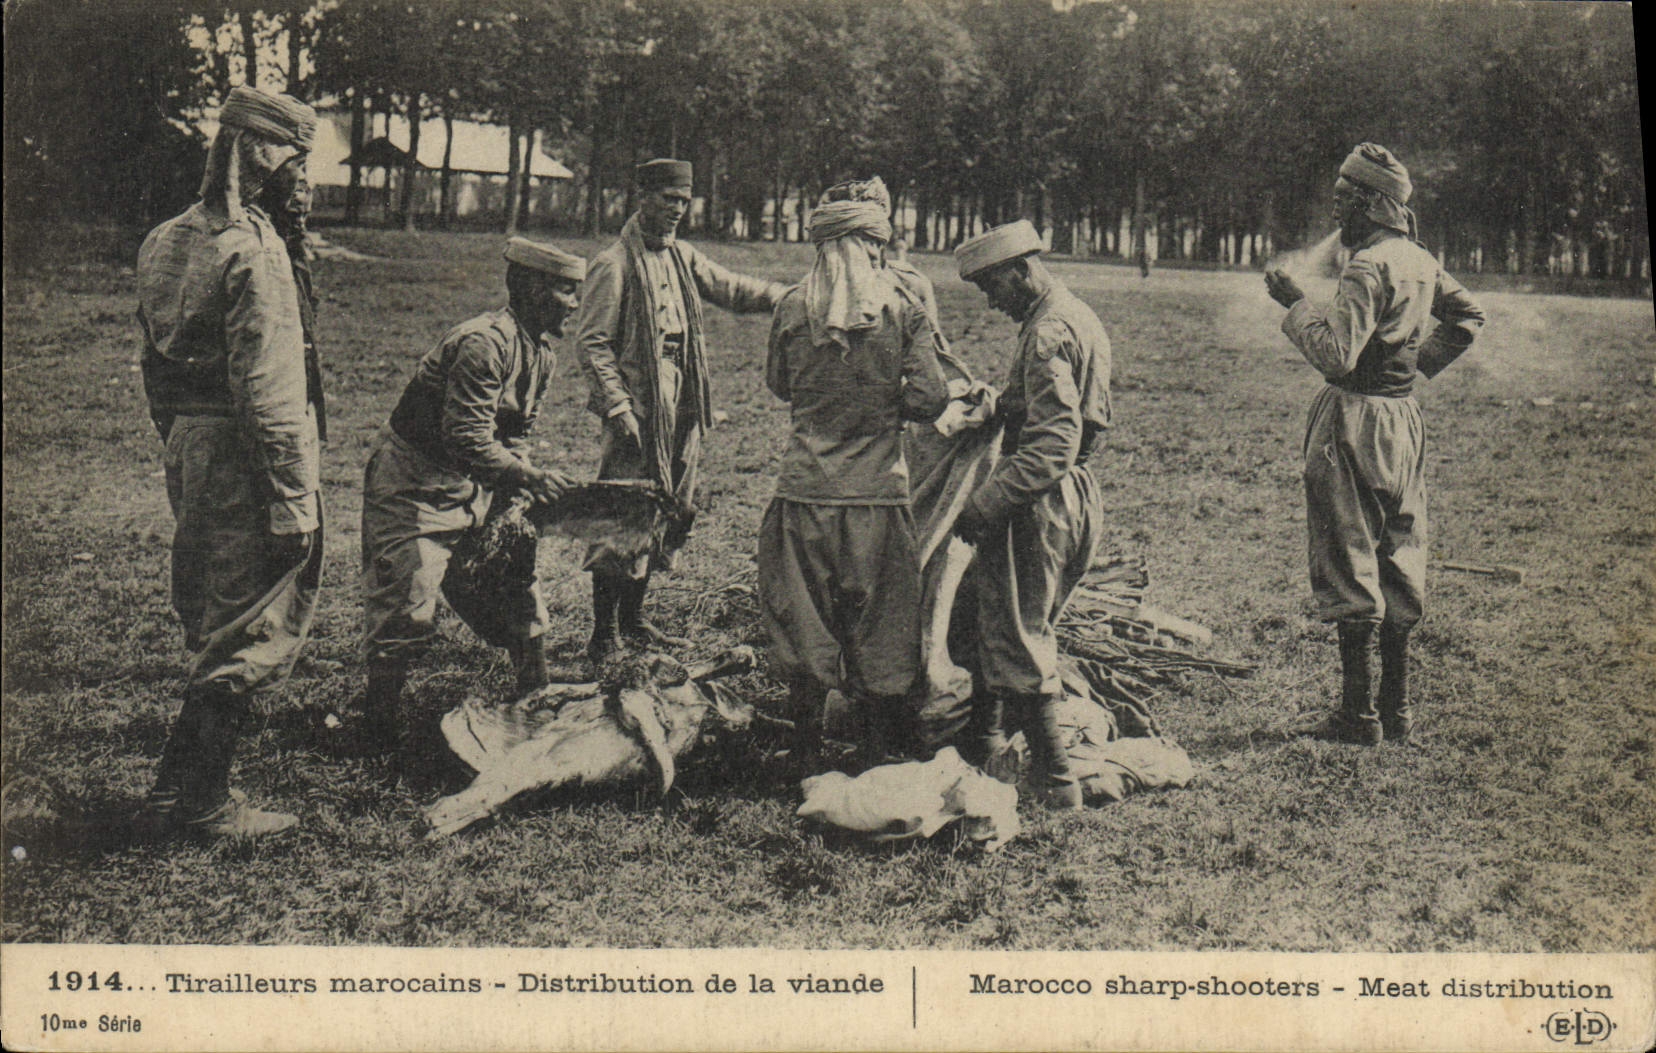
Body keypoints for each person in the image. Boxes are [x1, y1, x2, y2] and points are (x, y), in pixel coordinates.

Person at [135, 86, 322, 838]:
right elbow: (268, 389)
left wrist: (181, 441)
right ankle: (205, 802)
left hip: (191, 441)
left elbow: (151, 363)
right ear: (263, 160)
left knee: (219, 613)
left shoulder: (166, 238)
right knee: (250, 622)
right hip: (246, 451)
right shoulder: (254, 249)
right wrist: (292, 497)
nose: (303, 185)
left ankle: (173, 789)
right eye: (296, 167)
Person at [1266, 143, 1485, 745]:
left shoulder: (1367, 266)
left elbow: (1336, 356)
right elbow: (1468, 317)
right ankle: (1398, 710)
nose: (1336, 210)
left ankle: (1357, 715)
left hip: (1354, 422)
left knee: (1349, 553)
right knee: (1399, 552)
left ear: (1370, 203)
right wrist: (1413, 368)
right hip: (1402, 422)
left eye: (1344, 199)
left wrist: (1295, 305)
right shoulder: (1418, 259)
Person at [358, 238, 585, 748]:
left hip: (475, 485)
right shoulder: (484, 343)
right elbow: (466, 438)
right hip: (413, 483)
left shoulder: (541, 354)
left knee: (515, 581)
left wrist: (515, 497)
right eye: (566, 291)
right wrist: (527, 478)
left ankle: (537, 694)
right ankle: (376, 728)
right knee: (407, 603)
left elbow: (516, 435)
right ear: (533, 289)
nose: (575, 304)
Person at [758, 178, 953, 768]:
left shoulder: (793, 306)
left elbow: (778, 383)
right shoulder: (902, 309)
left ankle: (805, 748)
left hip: (805, 489)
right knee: (881, 621)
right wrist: (883, 405)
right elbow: (932, 398)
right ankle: (870, 750)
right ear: (873, 245)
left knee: (804, 618)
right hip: (876, 493)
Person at [576, 158, 788, 665]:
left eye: (683, 200)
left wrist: (790, 297)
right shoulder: (614, 264)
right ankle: (604, 633)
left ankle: (634, 619)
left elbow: (732, 288)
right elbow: (593, 344)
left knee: (674, 507)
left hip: (683, 397)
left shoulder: (681, 256)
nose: (676, 209)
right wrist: (619, 408)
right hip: (639, 402)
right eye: (667, 199)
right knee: (625, 512)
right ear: (642, 197)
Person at [950, 220, 1113, 811]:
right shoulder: (1074, 313)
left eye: (992, 286)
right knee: (978, 616)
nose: (991, 302)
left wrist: (987, 502)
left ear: (1020, 270)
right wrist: (999, 405)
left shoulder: (1047, 332)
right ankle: (983, 740)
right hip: (1065, 494)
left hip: (1037, 500)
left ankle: (1055, 778)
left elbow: (1053, 443)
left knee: (1020, 636)